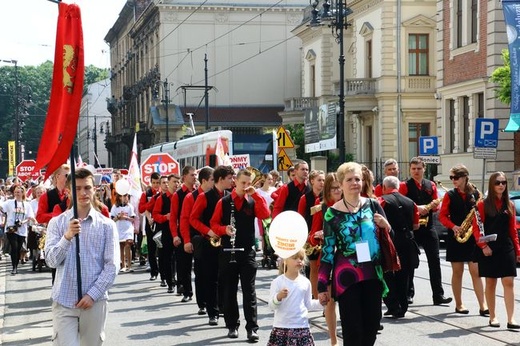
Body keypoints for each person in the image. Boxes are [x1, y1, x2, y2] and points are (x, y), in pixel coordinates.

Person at [318, 162, 392, 346]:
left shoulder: (373, 205)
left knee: (372, 325)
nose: (354, 183)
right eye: (349, 179)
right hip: (347, 277)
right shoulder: (332, 213)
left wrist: (386, 226)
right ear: (341, 184)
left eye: (357, 179)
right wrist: (321, 286)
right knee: (353, 331)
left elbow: (389, 237)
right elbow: (327, 251)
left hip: (373, 274)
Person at [45, 168, 120, 346]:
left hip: (94, 302)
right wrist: (67, 237)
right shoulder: (57, 223)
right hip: (64, 301)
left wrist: (92, 295)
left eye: (87, 187)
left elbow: (112, 266)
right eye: (77, 188)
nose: (83, 193)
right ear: (68, 191)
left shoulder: (106, 226)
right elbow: (51, 260)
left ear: (94, 189)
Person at [210, 168, 270, 342]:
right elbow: (213, 223)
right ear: (235, 181)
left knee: (249, 291)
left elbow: (265, 215)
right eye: (243, 183)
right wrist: (224, 230)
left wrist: (256, 195)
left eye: (249, 183)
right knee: (229, 290)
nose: (246, 186)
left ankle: (252, 328)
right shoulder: (224, 201)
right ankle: (232, 325)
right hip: (228, 250)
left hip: (247, 251)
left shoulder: (252, 200)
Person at [399, 157, 452, 306]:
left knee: (435, 261)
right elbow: (401, 204)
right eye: (414, 169)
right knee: (410, 263)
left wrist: (433, 206)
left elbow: (436, 206)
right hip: (412, 228)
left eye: (419, 168)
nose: (416, 171)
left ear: (424, 169)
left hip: (428, 227)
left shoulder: (431, 185)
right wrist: (417, 208)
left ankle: (438, 295)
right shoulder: (404, 186)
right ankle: (408, 294)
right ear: (410, 169)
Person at [472, 172, 520, 329]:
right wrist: (483, 246)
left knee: (509, 281)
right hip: (489, 247)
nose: (501, 185)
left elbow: (513, 231)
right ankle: (492, 316)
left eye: (504, 182)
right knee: (491, 282)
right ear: (492, 185)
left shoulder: (510, 205)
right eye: (498, 182)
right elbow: (476, 229)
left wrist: (518, 251)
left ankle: (511, 318)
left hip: (506, 246)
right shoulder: (482, 205)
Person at [439, 164, 488, 316]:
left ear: (465, 177)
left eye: (456, 177)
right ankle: (459, 304)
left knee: (476, 272)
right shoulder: (450, 195)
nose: (453, 180)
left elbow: (481, 213)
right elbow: (442, 216)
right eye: (451, 177)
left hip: (473, 237)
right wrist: (453, 226)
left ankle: (483, 305)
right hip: (456, 236)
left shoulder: (475, 193)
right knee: (458, 271)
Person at [190, 165, 235, 326]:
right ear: (221, 179)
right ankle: (212, 312)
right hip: (209, 241)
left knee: (225, 278)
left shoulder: (230, 196)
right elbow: (193, 219)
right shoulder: (204, 197)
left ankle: (222, 307)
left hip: (226, 242)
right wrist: (209, 231)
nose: (232, 181)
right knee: (211, 278)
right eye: (230, 178)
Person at [308, 172, 342, 345]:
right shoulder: (320, 207)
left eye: (339, 187)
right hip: (328, 257)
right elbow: (311, 235)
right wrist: (318, 235)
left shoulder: (352, 204)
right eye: (334, 188)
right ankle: (334, 340)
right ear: (328, 190)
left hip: (349, 258)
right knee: (330, 302)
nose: (338, 191)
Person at [379, 176, 420, 318]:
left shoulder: (382, 201)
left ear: (384, 187)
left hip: (389, 241)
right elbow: (416, 225)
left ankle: (393, 305)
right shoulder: (411, 202)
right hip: (407, 241)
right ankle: (403, 306)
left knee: (387, 273)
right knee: (404, 275)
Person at [267, 249, 322, 346]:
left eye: (301, 258)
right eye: (294, 258)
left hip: (302, 327)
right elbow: (271, 306)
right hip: (282, 327)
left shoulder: (305, 282)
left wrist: (321, 303)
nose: (299, 261)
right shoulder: (278, 282)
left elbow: (308, 304)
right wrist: (278, 297)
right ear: (285, 260)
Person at [180, 166, 214, 315]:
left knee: (215, 273)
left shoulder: (217, 196)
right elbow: (184, 220)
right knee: (200, 272)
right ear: (205, 181)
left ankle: (215, 303)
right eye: (213, 180)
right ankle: (202, 303)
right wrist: (186, 240)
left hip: (214, 238)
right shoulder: (191, 197)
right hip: (199, 239)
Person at [170, 165, 197, 302]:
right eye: (192, 175)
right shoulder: (178, 195)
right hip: (182, 232)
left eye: (195, 175)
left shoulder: (199, 193)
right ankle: (187, 291)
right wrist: (175, 235)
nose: (195, 177)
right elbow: (174, 217)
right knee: (184, 265)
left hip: (196, 232)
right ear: (184, 176)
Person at [152, 174, 178, 293]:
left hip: (178, 230)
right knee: (167, 257)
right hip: (166, 230)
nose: (169, 185)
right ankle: (170, 282)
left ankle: (178, 280)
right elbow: (155, 215)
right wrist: (165, 217)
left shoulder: (180, 196)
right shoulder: (161, 199)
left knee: (178, 257)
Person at [3, 184, 35, 275]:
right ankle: (14, 268)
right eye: (15, 192)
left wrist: (23, 222)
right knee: (14, 247)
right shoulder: (9, 202)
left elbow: (30, 216)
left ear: (22, 193)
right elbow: (2, 208)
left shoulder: (27, 205)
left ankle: (16, 265)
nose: (17, 194)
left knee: (18, 249)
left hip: (22, 230)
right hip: (11, 229)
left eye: (18, 192)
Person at [138, 172, 161, 281]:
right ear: (150, 182)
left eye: (158, 182)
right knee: (151, 249)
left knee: (162, 248)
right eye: (154, 183)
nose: (156, 185)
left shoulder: (163, 192)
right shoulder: (145, 193)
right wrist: (152, 202)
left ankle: (164, 272)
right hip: (150, 222)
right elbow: (141, 208)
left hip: (160, 222)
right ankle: (154, 272)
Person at [111, 192, 136, 273]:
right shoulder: (115, 207)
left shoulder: (130, 207)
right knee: (121, 246)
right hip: (119, 229)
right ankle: (123, 265)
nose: (125, 198)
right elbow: (112, 219)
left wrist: (125, 217)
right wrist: (118, 217)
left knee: (128, 245)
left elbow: (132, 219)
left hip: (128, 228)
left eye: (126, 196)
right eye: (123, 196)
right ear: (119, 197)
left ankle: (129, 265)